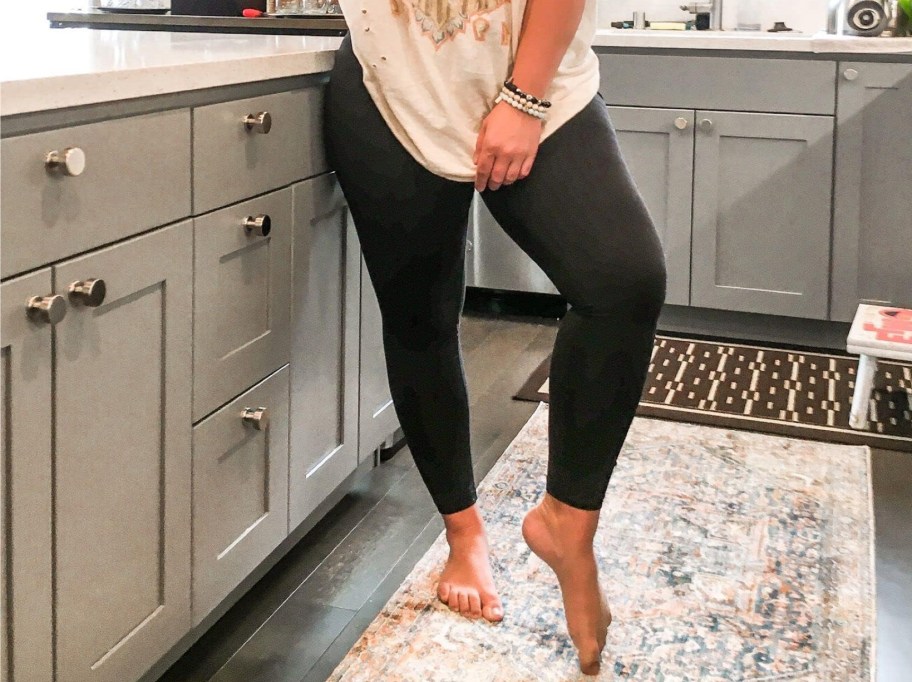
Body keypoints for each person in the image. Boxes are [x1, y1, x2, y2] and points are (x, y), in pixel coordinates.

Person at [324, 0, 667, 674]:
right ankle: (463, 534)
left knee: (623, 280)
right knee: (419, 319)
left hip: (534, 83)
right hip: (390, 85)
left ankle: (568, 520)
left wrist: (525, 97)